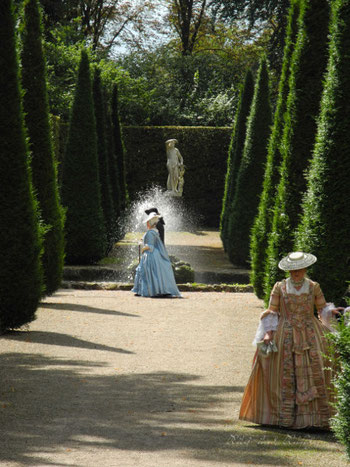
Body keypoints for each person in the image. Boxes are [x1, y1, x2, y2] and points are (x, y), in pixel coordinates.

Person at [239, 251, 343, 429]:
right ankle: (281, 417)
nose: (296, 273)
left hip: (311, 331)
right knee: (278, 369)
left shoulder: (313, 286)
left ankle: (315, 419)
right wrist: (269, 333)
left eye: (300, 269)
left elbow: (321, 308)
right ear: (288, 271)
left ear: (305, 269)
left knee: (322, 361)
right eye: (293, 270)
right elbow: (272, 310)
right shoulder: (280, 287)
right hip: (285, 332)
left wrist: (330, 312)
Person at [132, 212, 181, 298]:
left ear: (150, 223)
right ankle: (153, 290)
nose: (146, 224)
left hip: (150, 255)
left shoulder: (151, 232)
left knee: (148, 272)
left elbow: (150, 246)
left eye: (148, 222)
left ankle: (151, 291)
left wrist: (143, 248)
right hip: (153, 254)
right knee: (152, 272)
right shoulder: (154, 232)